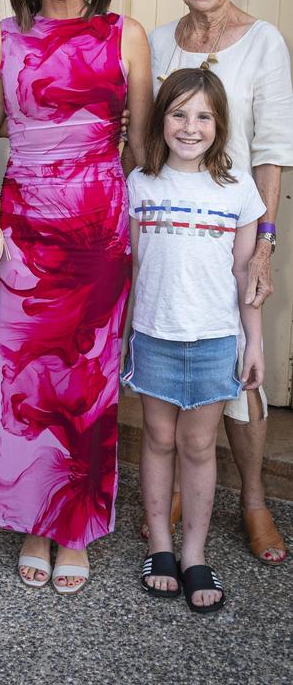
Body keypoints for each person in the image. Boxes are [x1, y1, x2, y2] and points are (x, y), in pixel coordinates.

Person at [0, 0, 153, 593]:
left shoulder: (126, 35)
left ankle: (74, 526)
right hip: (25, 231)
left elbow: (140, 147)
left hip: (98, 234)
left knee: (87, 382)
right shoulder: (4, 38)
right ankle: (31, 519)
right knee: (23, 377)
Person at [149, 0, 293, 564]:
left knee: (242, 370)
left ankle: (255, 500)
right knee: (176, 371)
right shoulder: (156, 42)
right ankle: (180, 487)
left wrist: (264, 240)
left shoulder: (263, 42)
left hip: (236, 234)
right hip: (175, 237)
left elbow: (272, 150)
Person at [123, 68, 265, 613]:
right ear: (161, 120)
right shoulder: (142, 184)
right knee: (158, 439)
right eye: (178, 113)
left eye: (203, 116)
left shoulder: (238, 190)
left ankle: (194, 553)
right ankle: (159, 544)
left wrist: (252, 345)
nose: (190, 126)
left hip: (212, 340)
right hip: (155, 335)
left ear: (219, 124)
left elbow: (244, 277)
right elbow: (132, 268)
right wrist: (122, 338)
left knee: (199, 445)